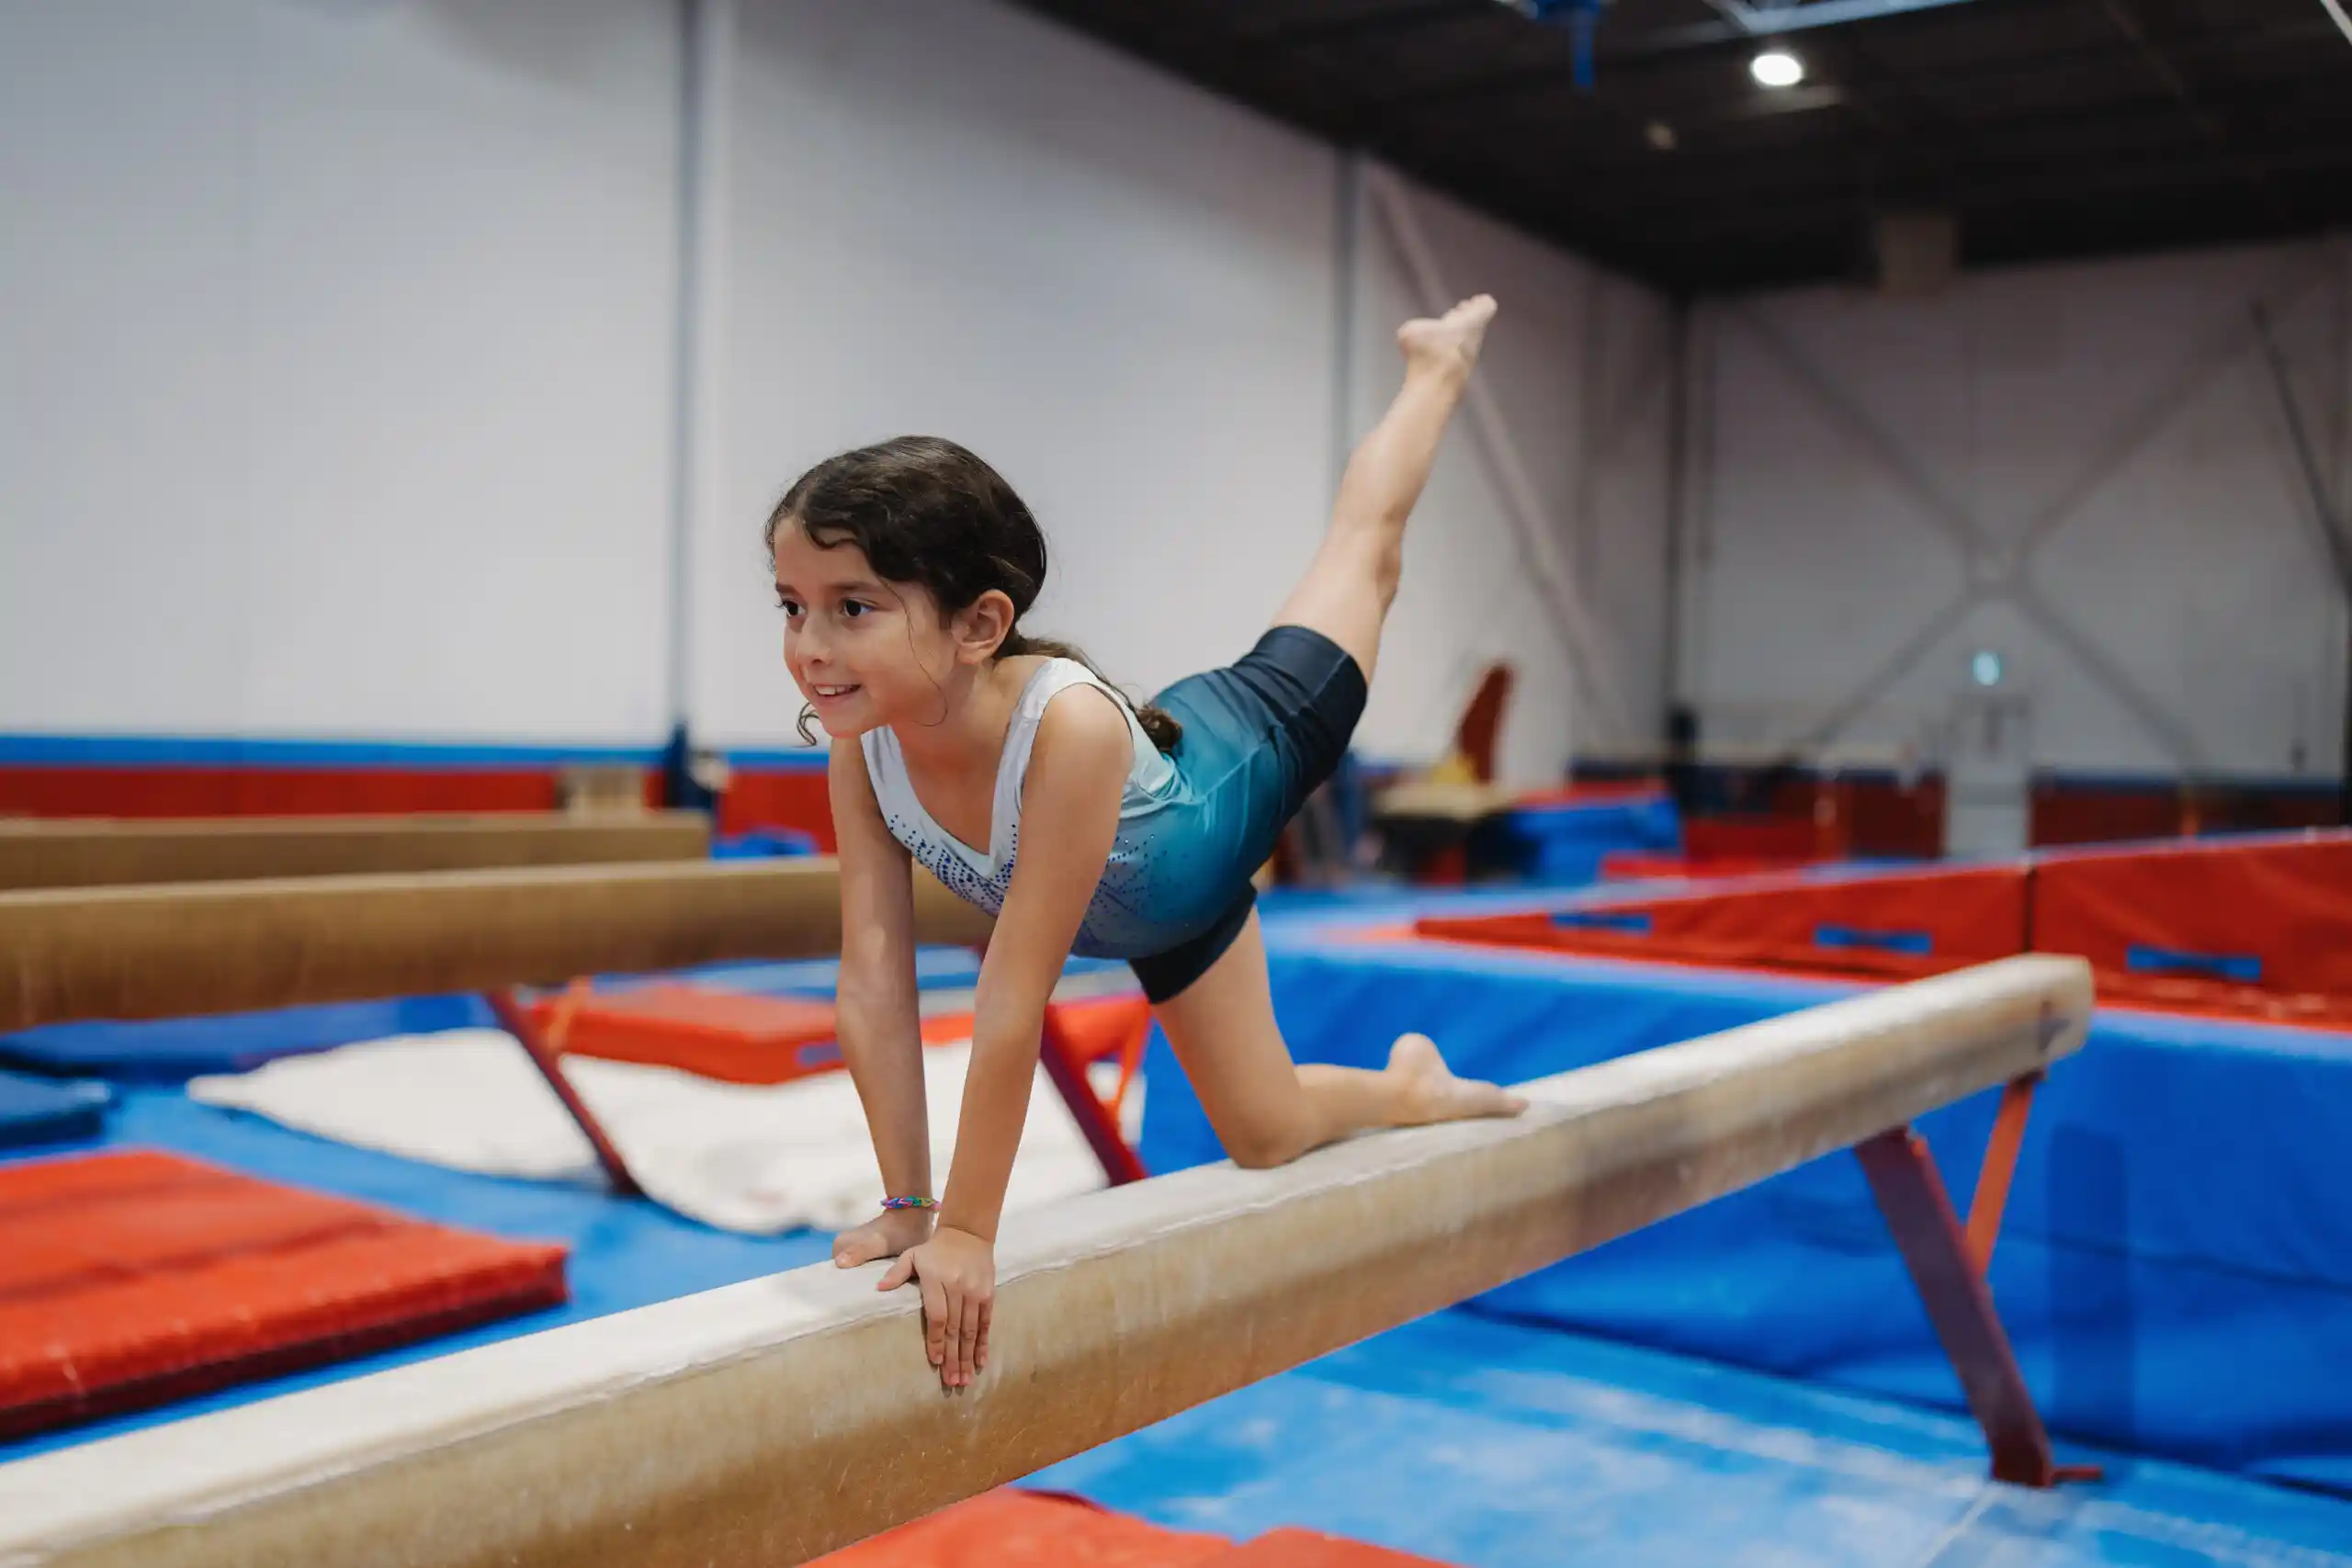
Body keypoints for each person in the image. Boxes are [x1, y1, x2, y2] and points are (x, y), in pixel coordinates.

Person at [767, 295, 1525, 1393]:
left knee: (1365, 556)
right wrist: (906, 1208)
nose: (809, 648)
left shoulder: (1062, 728)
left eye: (853, 608)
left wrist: (971, 1230)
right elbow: (874, 979)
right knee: (1266, 1135)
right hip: (1169, 910)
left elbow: (1013, 996)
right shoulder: (863, 747)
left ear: (980, 623)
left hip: (1234, 762)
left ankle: (1437, 367)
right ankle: (1411, 1090)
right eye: (792, 606)